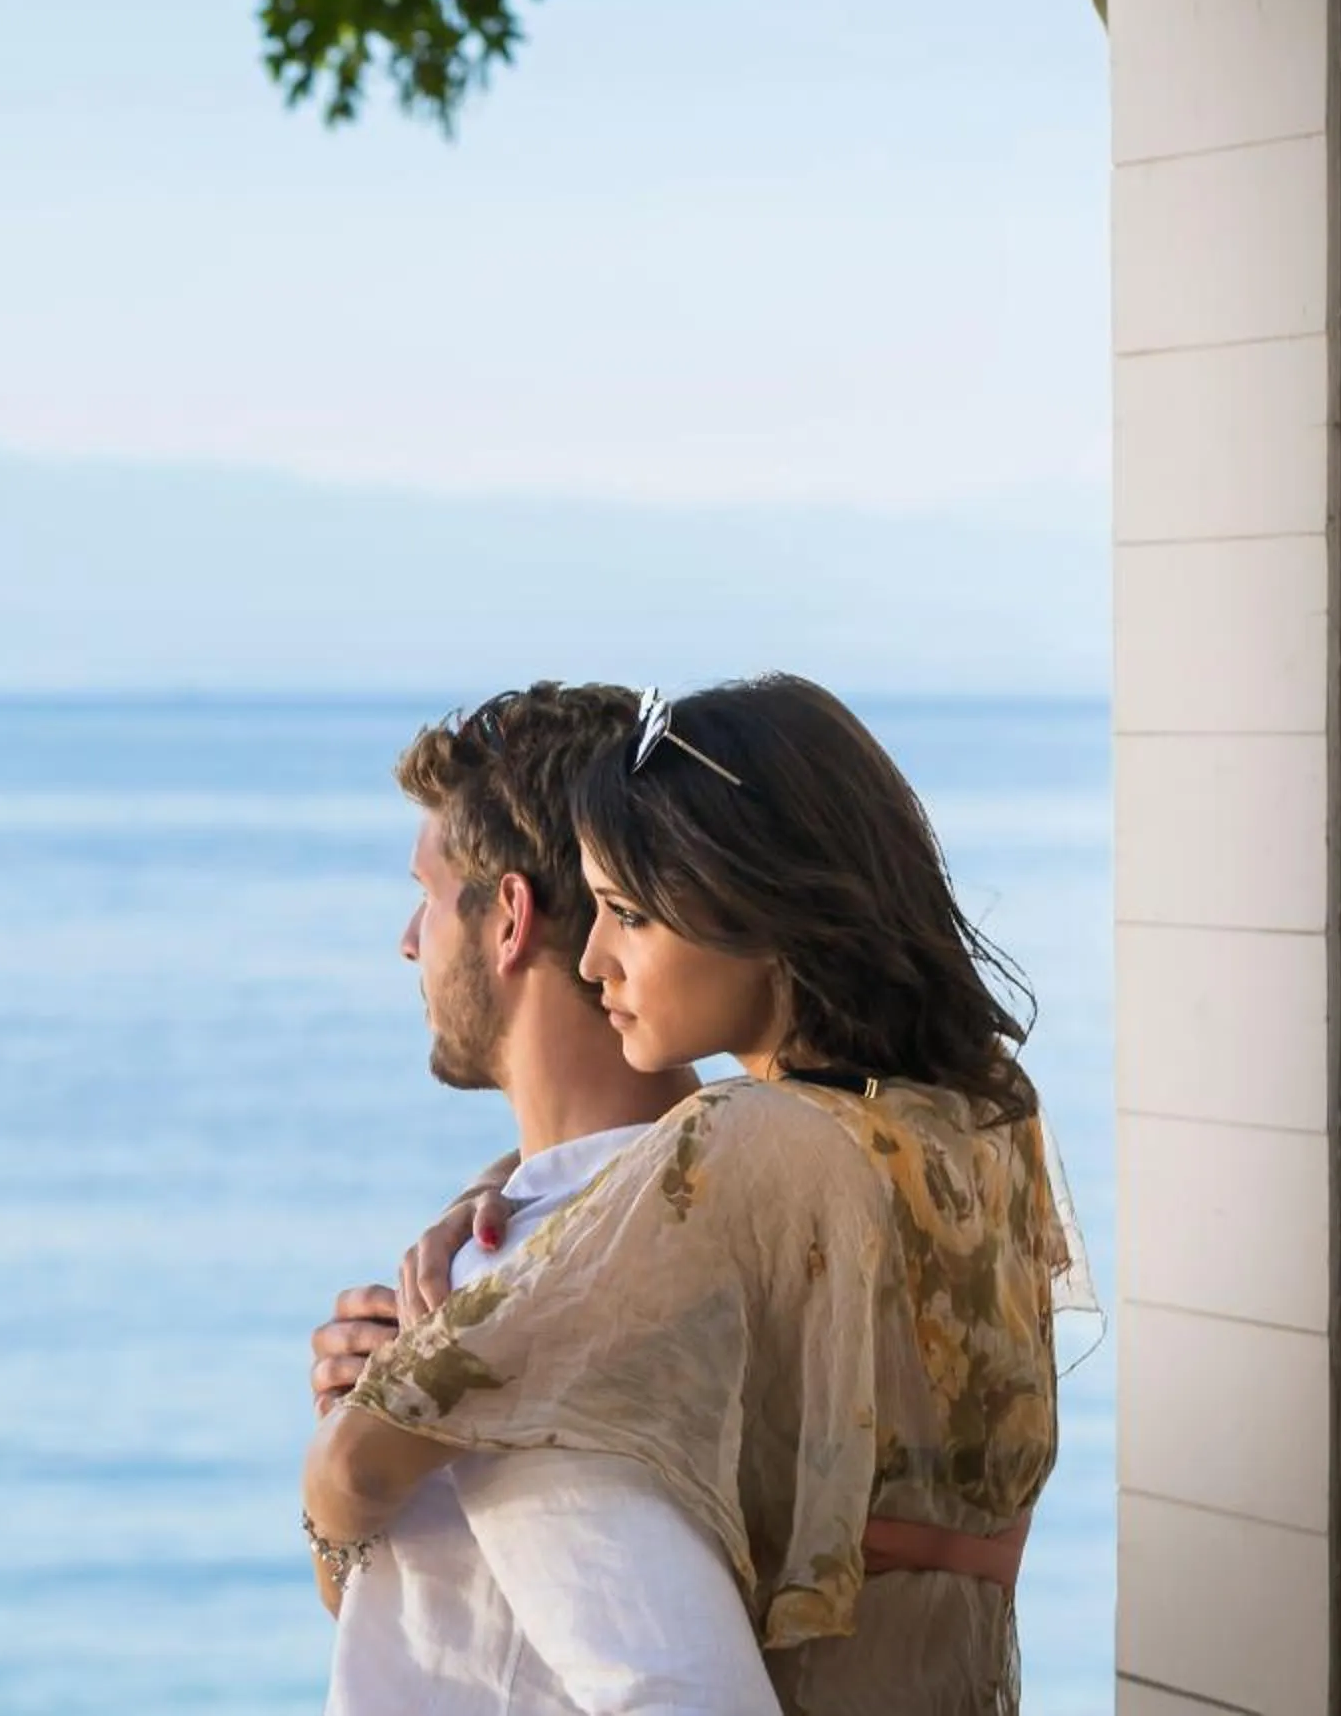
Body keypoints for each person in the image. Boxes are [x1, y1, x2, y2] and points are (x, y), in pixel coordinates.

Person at [305, 674, 1083, 1714]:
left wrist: (347, 1453)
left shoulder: (726, 1161)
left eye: (628, 912)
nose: (596, 957)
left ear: (750, 895)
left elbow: (664, 1680)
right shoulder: (969, 1122)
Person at [316, 681, 779, 1714]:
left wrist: (345, 1468)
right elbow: (450, 1635)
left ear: (510, 917)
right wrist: (371, 1440)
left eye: (428, 895)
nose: (407, 939)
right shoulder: (756, 1188)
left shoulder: (541, 1289)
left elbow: (680, 1686)